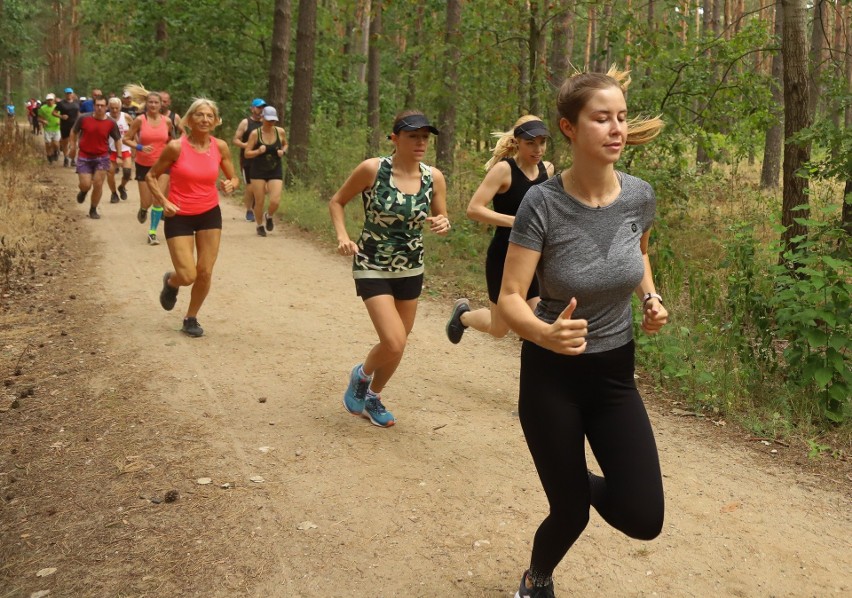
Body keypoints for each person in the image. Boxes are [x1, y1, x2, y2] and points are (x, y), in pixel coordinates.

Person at [496, 68, 668, 598]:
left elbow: (636, 255)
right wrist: (544, 334)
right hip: (552, 378)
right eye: (602, 119)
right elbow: (508, 299)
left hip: (615, 376)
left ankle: (571, 480)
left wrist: (651, 296)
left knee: (643, 516)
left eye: (620, 117)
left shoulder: (638, 196)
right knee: (569, 512)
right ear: (569, 129)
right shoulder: (542, 203)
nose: (616, 129)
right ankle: (536, 578)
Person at [329, 111, 450, 428]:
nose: (421, 142)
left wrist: (442, 221)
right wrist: (343, 236)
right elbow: (337, 201)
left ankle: (373, 396)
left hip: (411, 266)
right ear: (395, 139)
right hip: (372, 262)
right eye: (413, 136)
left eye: (425, 136)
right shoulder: (373, 169)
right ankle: (362, 375)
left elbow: (441, 216)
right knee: (393, 340)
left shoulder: (433, 177)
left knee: (400, 342)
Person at [445, 116, 554, 343]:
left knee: (540, 321)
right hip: (503, 256)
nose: (538, 149)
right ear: (517, 142)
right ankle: (464, 315)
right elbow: (474, 209)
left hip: (533, 257)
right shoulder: (504, 170)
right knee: (499, 329)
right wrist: (516, 222)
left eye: (542, 142)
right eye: (531, 143)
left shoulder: (548, 170)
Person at [146, 98, 238, 337]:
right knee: (188, 275)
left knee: (205, 271)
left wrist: (231, 184)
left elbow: (234, 177)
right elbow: (151, 176)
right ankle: (172, 282)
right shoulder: (176, 147)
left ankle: (191, 317)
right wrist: (163, 201)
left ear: (216, 121)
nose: (205, 119)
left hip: (209, 213)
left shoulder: (221, 147)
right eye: (199, 115)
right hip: (179, 214)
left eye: (209, 116)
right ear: (189, 119)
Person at [123, 85, 176, 245]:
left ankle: (152, 232)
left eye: (156, 103)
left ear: (161, 105)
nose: (153, 105)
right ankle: (143, 209)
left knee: (158, 199)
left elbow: (172, 140)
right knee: (146, 201)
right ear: (146, 104)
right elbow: (126, 139)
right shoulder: (140, 120)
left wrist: (175, 153)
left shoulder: (167, 121)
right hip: (143, 165)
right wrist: (140, 147)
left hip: (162, 164)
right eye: (150, 102)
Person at [70, 96, 121, 219]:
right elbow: (74, 131)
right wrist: (72, 146)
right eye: (97, 105)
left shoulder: (111, 122)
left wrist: (119, 155)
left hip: (102, 157)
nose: (99, 108)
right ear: (94, 106)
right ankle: (83, 191)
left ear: (106, 107)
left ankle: (93, 209)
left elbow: (118, 139)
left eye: (102, 105)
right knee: (86, 184)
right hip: (84, 156)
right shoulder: (83, 118)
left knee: (98, 184)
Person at [243, 105, 288, 237]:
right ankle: (259, 225)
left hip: (275, 169)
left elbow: (285, 144)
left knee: (275, 200)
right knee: (260, 200)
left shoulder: (280, 132)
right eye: (268, 120)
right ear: (262, 118)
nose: (271, 123)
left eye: (273, 120)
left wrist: (283, 151)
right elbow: (247, 153)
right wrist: (257, 151)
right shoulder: (255, 134)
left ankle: (268, 215)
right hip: (258, 170)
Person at [232, 98, 266, 222]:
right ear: (252, 109)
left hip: (263, 160)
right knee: (250, 186)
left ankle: (257, 207)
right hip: (248, 160)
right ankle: (249, 210)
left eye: (263, 107)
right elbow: (235, 139)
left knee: (263, 187)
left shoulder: (266, 123)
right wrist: (247, 145)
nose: (260, 110)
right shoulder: (245, 123)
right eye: (258, 107)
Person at [105, 97, 134, 204]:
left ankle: (122, 187)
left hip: (125, 149)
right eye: (112, 108)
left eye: (117, 108)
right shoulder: (105, 117)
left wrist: (137, 146)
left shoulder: (126, 117)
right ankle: (114, 193)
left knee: (127, 173)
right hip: (110, 150)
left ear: (120, 107)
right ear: (108, 107)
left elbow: (134, 132)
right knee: (110, 173)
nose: (115, 110)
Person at [55, 87, 80, 167]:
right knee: (65, 143)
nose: (69, 94)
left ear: (72, 94)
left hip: (75, 125)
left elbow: (78, 113)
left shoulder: (76, 102)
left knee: (74, 144)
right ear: (65, 94)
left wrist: (80, 121)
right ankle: (66, 158)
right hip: (65, 125)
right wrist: (61, 116)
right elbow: (53, 112)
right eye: (67, 93)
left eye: (70, 93)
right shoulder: (61, 103)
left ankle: (73, 159)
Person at [37, 93, 61, 163]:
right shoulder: (43, 108)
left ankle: (56, 151)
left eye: (51, 100)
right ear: (46, 101)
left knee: (56, 144)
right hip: (47, 128)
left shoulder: (58, 107)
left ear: (54, 100)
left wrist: (60, 121)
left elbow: (61, 116)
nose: (50, 101)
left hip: (56, 128)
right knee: (48, 144)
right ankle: (49, 156)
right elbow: (39, 118)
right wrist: (43, 121)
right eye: (48, 100)